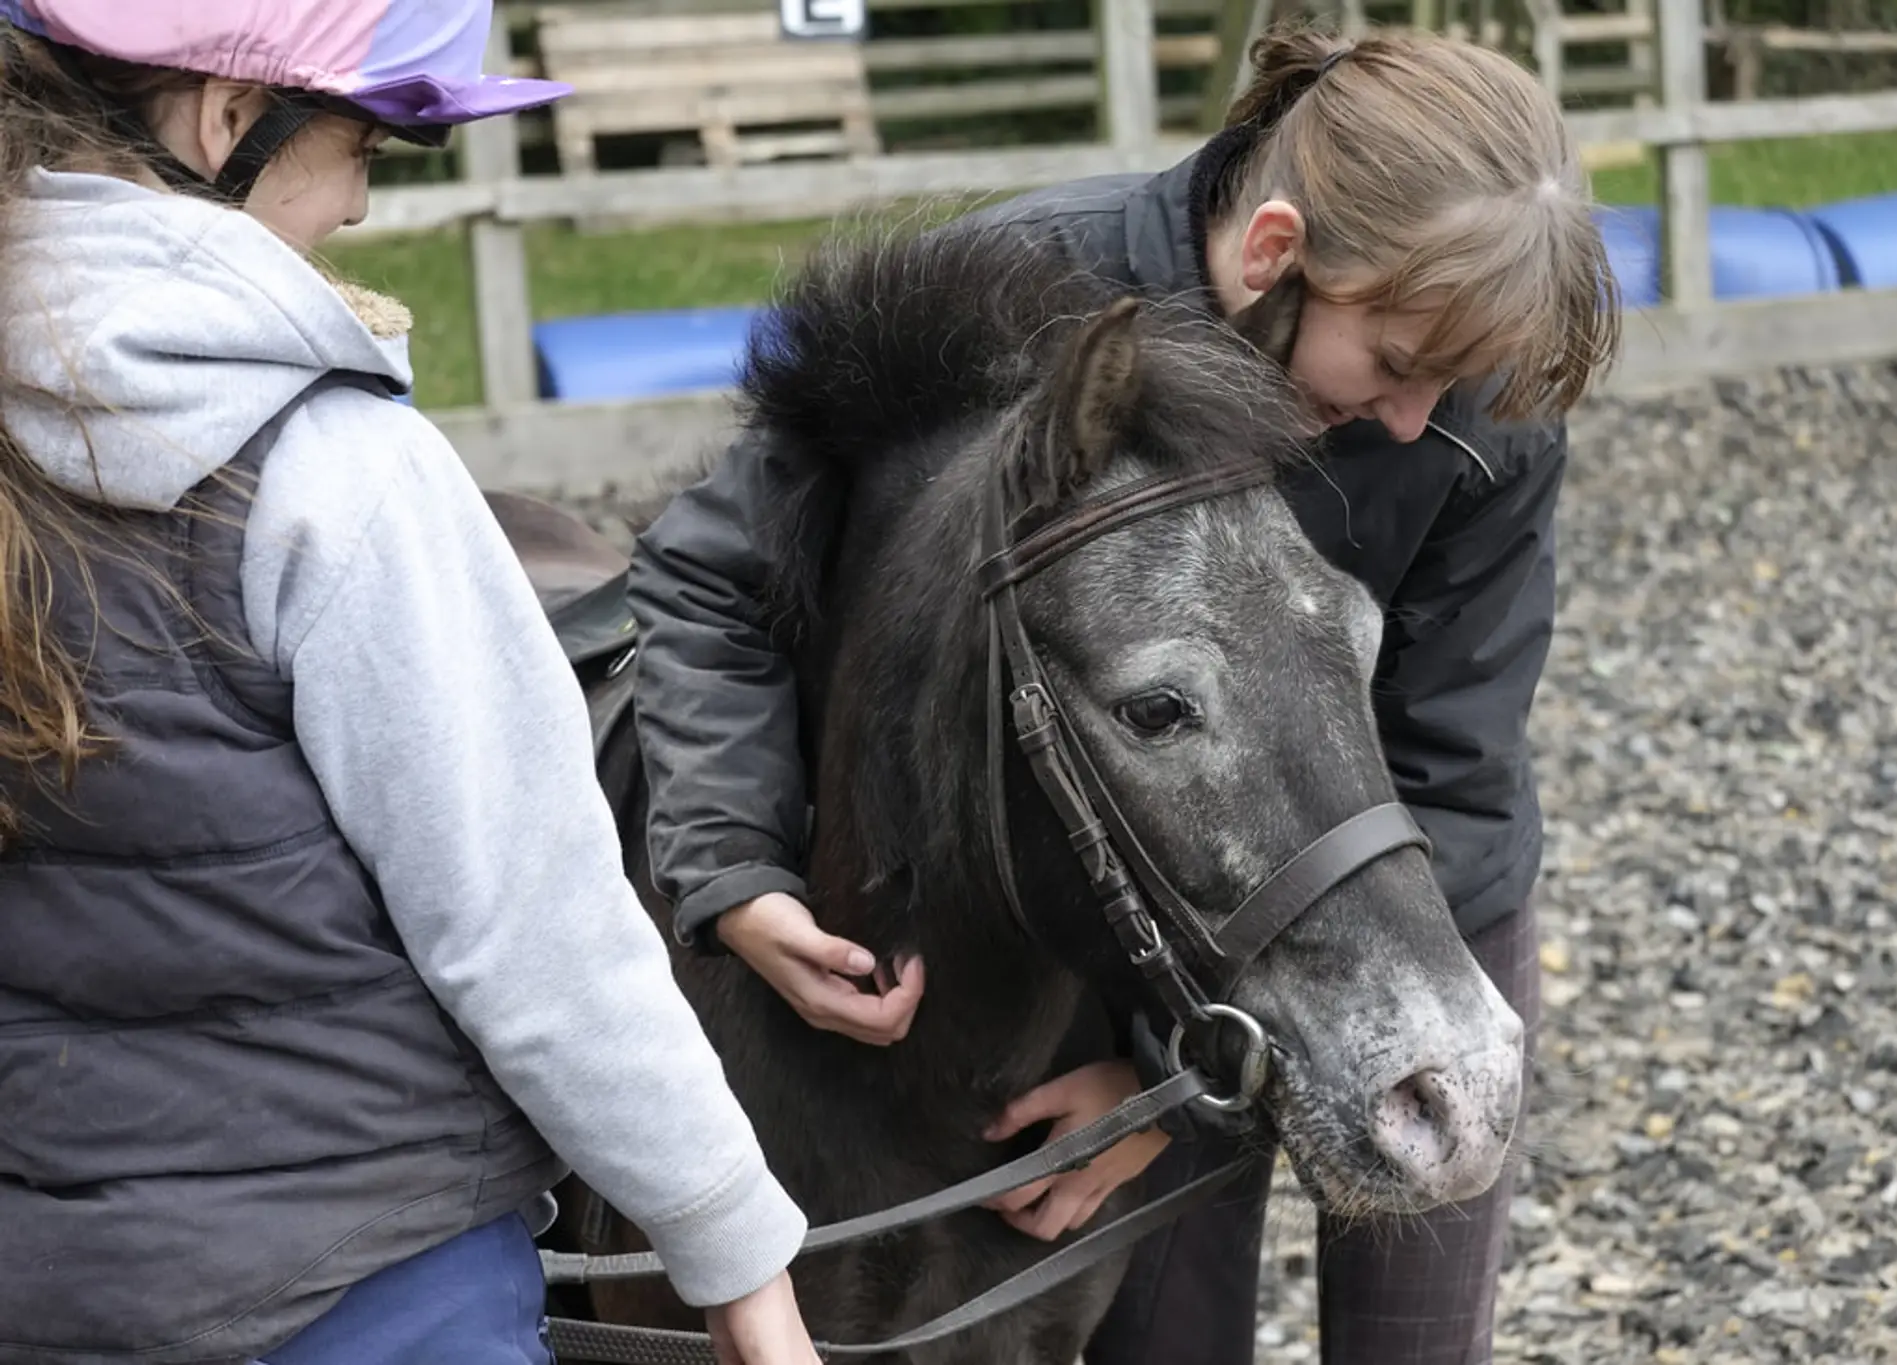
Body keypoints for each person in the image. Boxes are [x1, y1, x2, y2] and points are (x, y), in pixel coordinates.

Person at [625, 19, 1620, 1365]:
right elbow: (707, 581)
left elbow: (1451, 760)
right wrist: (731, 871)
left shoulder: (1469, 398)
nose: (1414, 419)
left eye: (1454, 384)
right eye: (1392, 367)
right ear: (1276, 255)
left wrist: (1178, 1089)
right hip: (1122, 918)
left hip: (1404, 880)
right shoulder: (1017, 291)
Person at [0, 3, 823, 1363]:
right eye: (365, 151)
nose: (362, 209)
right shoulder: (331, 472)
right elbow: (529, 930)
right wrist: (739, 1255)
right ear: (222, 119)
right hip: (360, 1291)